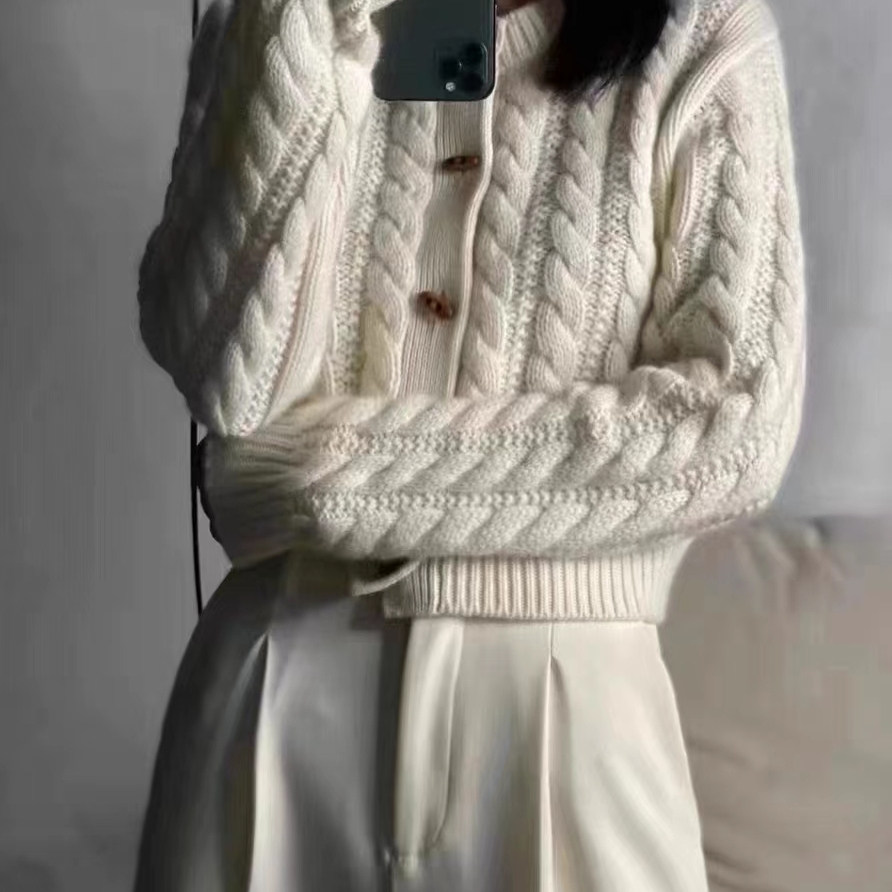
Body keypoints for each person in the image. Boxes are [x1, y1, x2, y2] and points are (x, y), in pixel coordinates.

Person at [134, 0, 806, 888]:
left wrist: (329, 481)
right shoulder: (273, 23)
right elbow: (230, 378)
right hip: (272, 702)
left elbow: (733, 428)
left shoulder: (703, 36)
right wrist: (297, 26)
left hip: (565, 721)